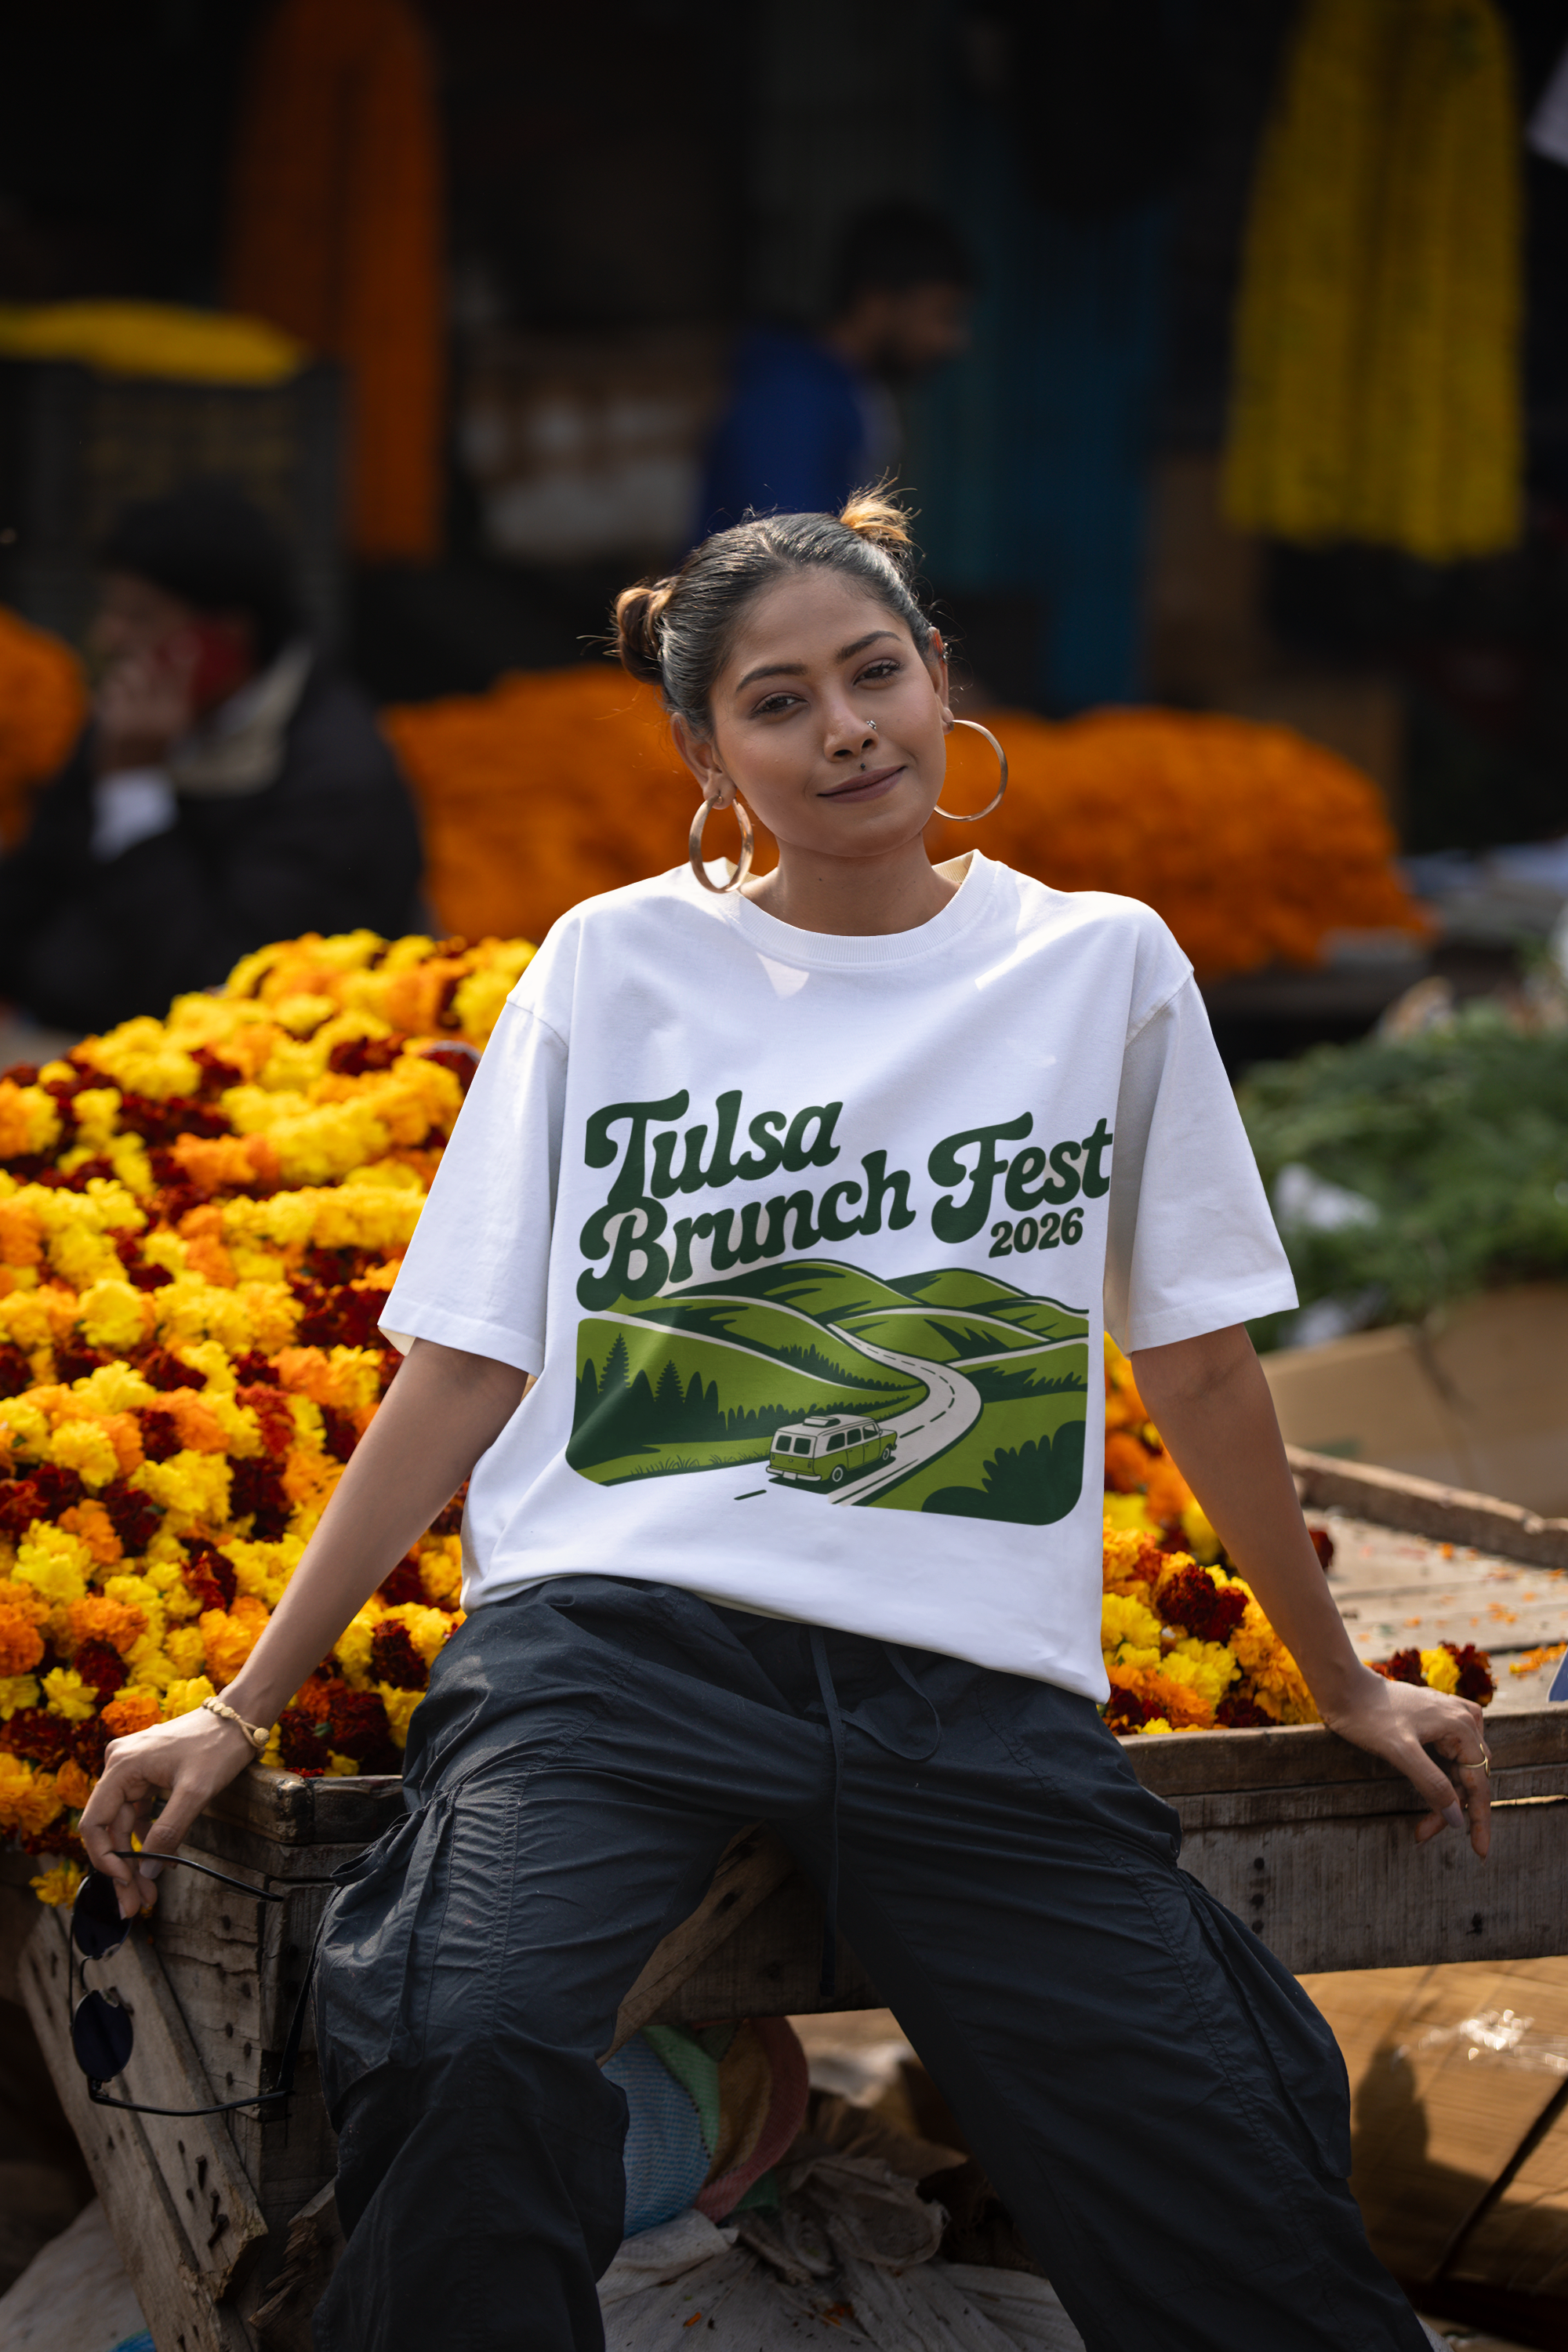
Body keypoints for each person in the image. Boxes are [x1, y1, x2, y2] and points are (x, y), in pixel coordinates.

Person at [82, 494, 1490, 2352]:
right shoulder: (607, 965)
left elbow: (1203, 1365)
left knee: (1207, 2129)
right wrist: (244, 1700)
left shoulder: (1100, 966)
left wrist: (1342, 1682)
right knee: (460, 2027)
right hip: (612, 1652)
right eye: (775, 701)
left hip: (960, 1686)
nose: (843, 731)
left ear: (937, 681)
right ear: (702, 751)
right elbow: (467, 1354)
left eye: (872, 673)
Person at [0, 480, 423, 1033]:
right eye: (110, 610)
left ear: (226, 636)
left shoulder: (335, 773)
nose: (109, 638)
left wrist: (135, 790)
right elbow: (34, 892)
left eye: (140, 617)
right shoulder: (130, 723)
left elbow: (218, 979)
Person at [696, 202, 974, 535]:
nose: (954, 340)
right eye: (942, 315)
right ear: (877, 302)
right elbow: (793, 553)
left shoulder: (846, 390)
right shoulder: (791, 397)